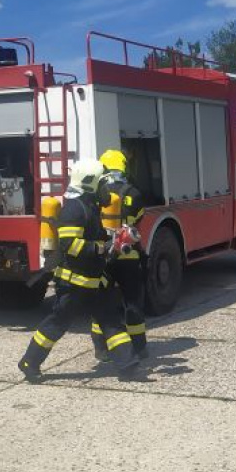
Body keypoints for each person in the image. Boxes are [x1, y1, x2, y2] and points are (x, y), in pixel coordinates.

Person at [18, 159, 139, 381]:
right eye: (102, 184)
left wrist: (114, 241)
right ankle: (29, 362)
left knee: (111, 320)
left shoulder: (90, 207)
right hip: (74, 285)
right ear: (90, 184)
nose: (107, 190)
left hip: (93, 282)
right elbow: (70, 245)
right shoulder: (73, 209)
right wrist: (101, 247)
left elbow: (95, 238)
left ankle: (128, 366)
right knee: (57, 324)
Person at [92, 149, 148, 359]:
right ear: (123, 167)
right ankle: (139, 348)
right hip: (128, 257)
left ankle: (101, 348)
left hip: (104, 257)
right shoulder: (134, 193)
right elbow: (138, 223)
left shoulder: (96, 193)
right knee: (132, 302)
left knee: (102, 302)